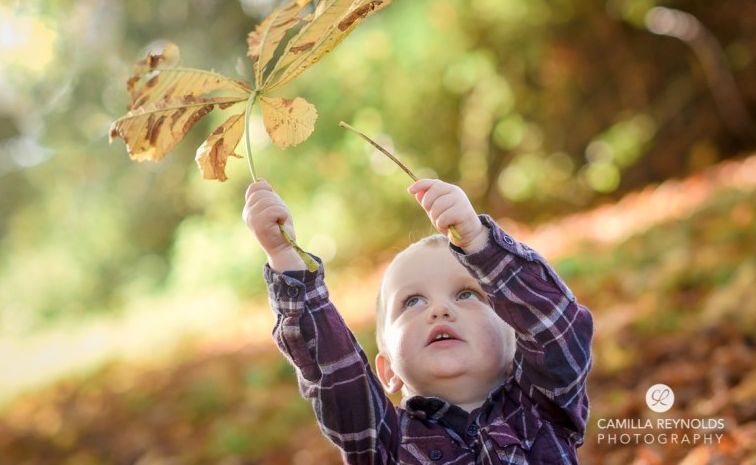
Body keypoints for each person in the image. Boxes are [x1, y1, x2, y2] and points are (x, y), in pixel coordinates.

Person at [243, 177, 593, 464]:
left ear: (517, 342)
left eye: (467, 294)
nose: (439, 310)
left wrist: (478, 242)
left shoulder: (543, 408)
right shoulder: (384, 443)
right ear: (388, 371)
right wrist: (286, 256)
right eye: (412, 301)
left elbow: (557, 326)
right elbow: (336, 373)